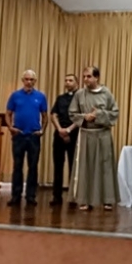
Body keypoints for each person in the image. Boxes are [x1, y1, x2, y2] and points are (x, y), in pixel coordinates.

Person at [68, 66, 120, 211]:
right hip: (86, 133)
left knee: (105, 167)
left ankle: (107, 200)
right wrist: (85, 117)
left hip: (102, 134)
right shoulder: (79, 94)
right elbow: (72, 114)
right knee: (85, 166)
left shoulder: (107, 93)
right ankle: (84, 199)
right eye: (84, 77)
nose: (85, 79)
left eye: (89, 76)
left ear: (97, 77)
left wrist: (99, 115)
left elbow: (114, 113)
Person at [5, 69, 49, 207]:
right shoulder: (15, 96)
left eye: (31, 80)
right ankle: (15, 196)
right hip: (19, 136)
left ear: (35, 81)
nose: (29, 82)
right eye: (26, 79)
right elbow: (8, 113)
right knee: (17, 167)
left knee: (33, 167)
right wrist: (11, 128)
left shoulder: (41, 96)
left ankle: (31, 196)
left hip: (34, 136)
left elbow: (45, 116)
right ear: (22, 80)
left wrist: (42, 130)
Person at [50, 74, 80, 207]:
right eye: (66, 80)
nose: (67, 82)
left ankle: (72, 197)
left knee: (73, 167)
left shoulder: (80, 98)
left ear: (77, 83)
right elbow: (53, 115)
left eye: (70, 80)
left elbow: (81, 117)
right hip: (59, 134)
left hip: (74, 135)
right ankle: (57, 197)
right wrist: (60, 130)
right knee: (58, 166)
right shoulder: (60, 98)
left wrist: (68, 130)